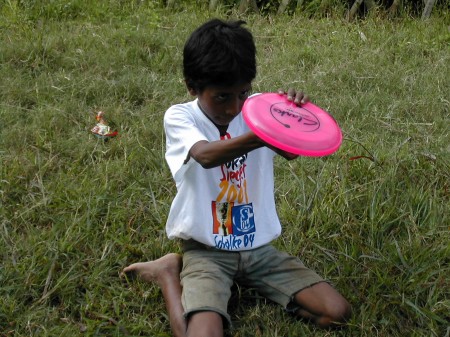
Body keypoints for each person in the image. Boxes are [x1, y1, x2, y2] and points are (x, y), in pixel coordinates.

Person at [123, 19, 351, 337]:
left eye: (243, 93)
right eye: (221, 97)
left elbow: (292, 152)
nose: (234, 107)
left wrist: (293, 116)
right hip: (206, 249)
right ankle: (168, 272)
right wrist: (263, 133)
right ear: (192, 86)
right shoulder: (180, 117)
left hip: (257, 248)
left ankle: (250, 283)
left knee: (336, 312)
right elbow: (204, 155)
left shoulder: (258, 112)